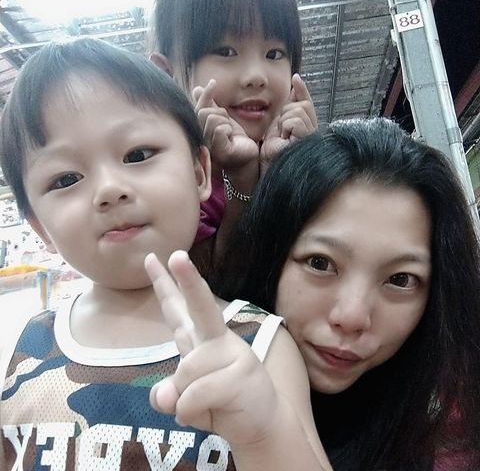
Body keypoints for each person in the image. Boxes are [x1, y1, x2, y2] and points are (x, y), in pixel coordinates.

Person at [0, 38, 331, 470]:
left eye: (137, 154)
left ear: (200, 172)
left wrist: (264, 433)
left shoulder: (260, 344)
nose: (109, 190)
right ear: (40, 228)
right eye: (65, 179)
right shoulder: (21, 351)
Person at [215, 117, 480, 470]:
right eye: (320, 263)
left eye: (401, 279)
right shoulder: (187, 403)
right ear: (270, 258)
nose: (352, 317)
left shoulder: (447, 435)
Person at [150, 0, 318, 273]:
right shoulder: (163, 181)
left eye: (274, 53)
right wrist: (243, 180)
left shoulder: (303, 153)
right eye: (226, 51)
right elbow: (213, 284)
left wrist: (301, 166)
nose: (256, 76)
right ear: (166, 74)